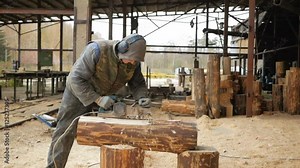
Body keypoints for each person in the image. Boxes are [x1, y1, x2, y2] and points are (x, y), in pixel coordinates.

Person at [47, 33, 151, 168]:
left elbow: (137, 83)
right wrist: (97, 99)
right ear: (122, 48)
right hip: (79, 93)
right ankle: (53, 166)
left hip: (105, 95)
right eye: (130, 59)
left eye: (135, 61)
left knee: (115, 131)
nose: (132, 63)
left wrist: (142, 96)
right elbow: (75, 79)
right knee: (65, 131)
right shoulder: (96, 50)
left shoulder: (133, 62)